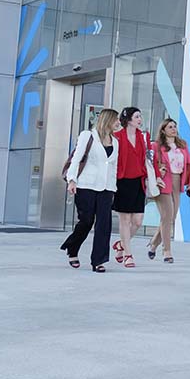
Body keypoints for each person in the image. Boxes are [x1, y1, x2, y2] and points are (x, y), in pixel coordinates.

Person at [60, 108, 121, 272]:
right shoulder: (88, 136)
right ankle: (72, 247)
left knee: (104, 224)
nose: (118, 123)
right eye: (116, 119)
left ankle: (99, 261)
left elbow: (113, 166)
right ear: (108, 120)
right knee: (86, 221)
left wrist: (113, 187)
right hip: (86, 185)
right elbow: (76, 159)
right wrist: (71, 180)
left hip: (106, 188)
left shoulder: (115, 142)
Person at [147, 118, 190, 263]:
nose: (173, 129)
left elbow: (189, 164)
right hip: (163, 181)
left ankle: (153, 243)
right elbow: (150, 164)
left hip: (177, 181)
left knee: (170, 217)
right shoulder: (156, 146)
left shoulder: (182, 145)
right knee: (167, 216)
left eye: (174, 126)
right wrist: (158, 172)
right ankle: (166, 251)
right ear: (163, 130)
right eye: (170, 127)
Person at [113, 106, 153, 268]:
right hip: (122, 182)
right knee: (125, 219)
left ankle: (121, 244)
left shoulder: (144, 136)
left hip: (139, 182)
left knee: (137, 221)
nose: (140, 119)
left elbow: (150, 159)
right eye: (136, 116)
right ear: (128, 119)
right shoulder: (116, 137)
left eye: (140, 116)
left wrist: (156, 177)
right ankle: (128, 255)